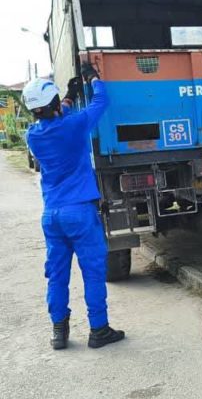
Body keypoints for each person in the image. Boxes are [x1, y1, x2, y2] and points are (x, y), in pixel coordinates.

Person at [24, 64, 125, 350]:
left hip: (51, 216)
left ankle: (59, 332)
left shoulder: (33, 135)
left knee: (57, 275)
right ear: (53, 104)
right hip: (79, 212)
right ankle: (99, 330)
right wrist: (93, 78)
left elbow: (53, 118)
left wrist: (67, 96)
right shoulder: (74, 125)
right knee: (93, 271)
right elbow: (101, 102)